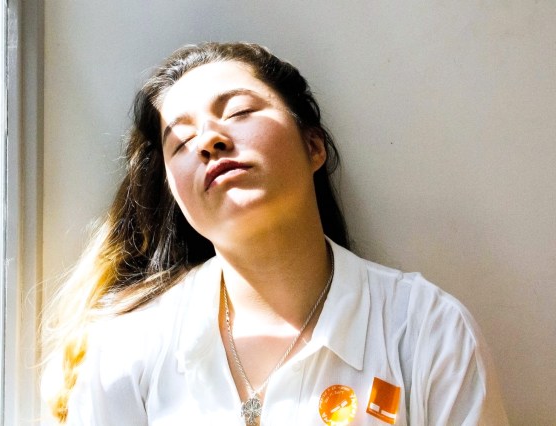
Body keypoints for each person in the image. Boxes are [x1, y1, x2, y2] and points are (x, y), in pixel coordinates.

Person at [42, 42, 508, 425]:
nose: (209, 140)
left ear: (313, 146)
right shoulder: (127, 350)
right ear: (176, 195)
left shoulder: (427, 332)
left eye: (239, 111)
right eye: (182, 142)